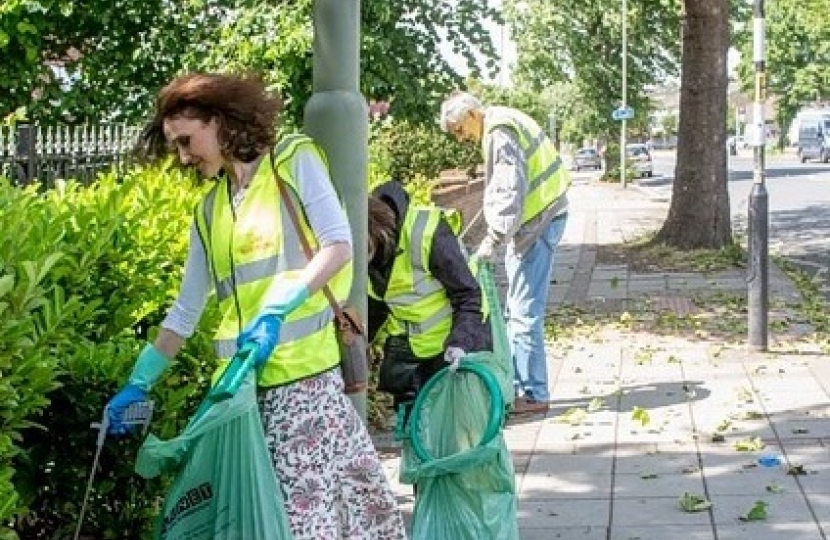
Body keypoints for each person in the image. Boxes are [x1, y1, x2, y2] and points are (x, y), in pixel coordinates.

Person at [104, 72, 406, 539]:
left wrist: (275, 310)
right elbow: (185, 312)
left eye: (187, 140)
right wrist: (139, 381)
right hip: (242, 399)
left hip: (302, 388)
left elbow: (338, 244)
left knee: (301, 526)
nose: (184, 156)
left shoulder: (292, 162)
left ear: (220, 121)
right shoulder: (209, 211)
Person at [439, 90, 570, 414]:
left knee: (524, 314)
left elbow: (510, 190)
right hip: (544, 216)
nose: (460, 138)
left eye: (459, 130)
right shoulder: (502, 119)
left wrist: (491, 242)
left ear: (471, 115)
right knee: (516, 310)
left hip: (538, 222)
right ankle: (518, 386)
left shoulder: (499, 132)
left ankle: (534, 394)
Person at [367, 180, 492, 413]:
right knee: (414, 429)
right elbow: (374, 307)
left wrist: (460, 342)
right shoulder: (368, 254)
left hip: (451, 346)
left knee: (456, 428)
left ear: (383, 236)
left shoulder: (427, 232)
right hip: (408, 351)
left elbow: (468, 294)